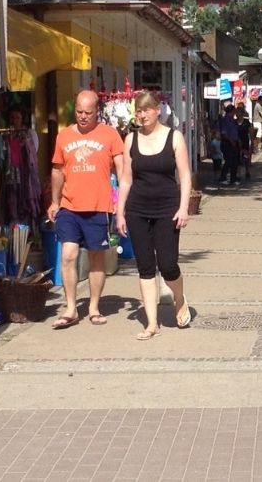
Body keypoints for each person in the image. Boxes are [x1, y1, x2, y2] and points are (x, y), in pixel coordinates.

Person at [115, 91, 193, 339]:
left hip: (167, 209)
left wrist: (183, 208)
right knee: (145, 266)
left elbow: (185, 176)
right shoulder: (130, 140)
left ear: (158, 110)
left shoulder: (174, 137)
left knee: (168, 265)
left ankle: (179, 299)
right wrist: (120, 212)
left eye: (146, 109)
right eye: (138, 110)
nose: (142, 114)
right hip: (138, 209)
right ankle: (152, 323)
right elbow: (126, 179)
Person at [47, 89, 124, 329]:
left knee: (96, 258)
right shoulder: (64, 136)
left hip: (99, 206)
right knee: (68, 255)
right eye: (79, 111)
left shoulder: (110, 135)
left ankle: (93, 306)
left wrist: (122, 201)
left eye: (88, 113)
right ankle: (71, 307)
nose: (82, 116)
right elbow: (57, 170)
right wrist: (55, 201)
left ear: (96, 111)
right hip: (70, 206)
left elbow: (122, 169)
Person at [217, 103, 240, 185]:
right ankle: (222, 177)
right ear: (232, 111)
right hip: (227, 143)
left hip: (234, 142)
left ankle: (233, 179)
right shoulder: (225, 120)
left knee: (234, 161)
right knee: (229, 161)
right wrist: (231, 141)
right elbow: (224, 133)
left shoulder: (233, 120)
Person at [236, 106, 253, 180]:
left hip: (245, 141)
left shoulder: (246, 122)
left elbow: (250, 131)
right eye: (236, 112)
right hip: (236, 141)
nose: (237, 114)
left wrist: (252, 141)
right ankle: (238, 173)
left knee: (245, 157)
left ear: (242, 113)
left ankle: (247, 171)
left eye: (239, 112)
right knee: (237, 157)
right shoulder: (234, 122)